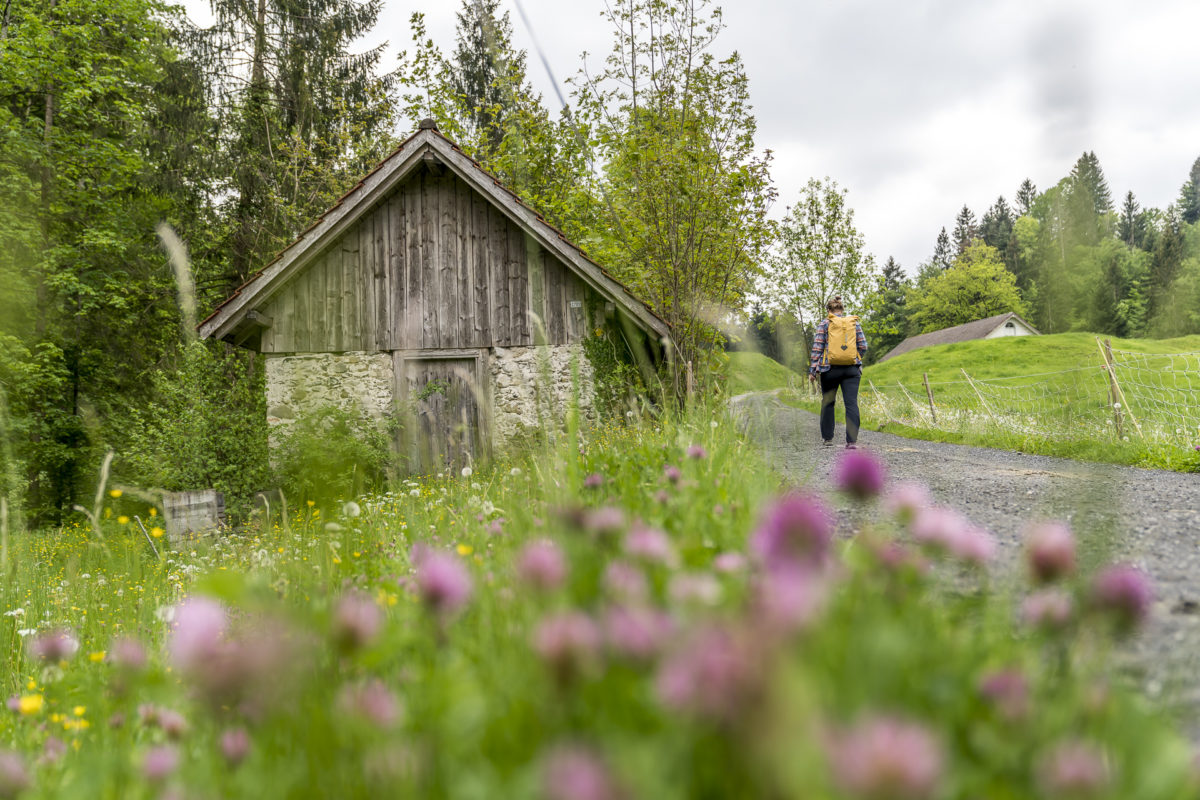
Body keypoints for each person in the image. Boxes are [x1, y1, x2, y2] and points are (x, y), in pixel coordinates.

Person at [808, 296, 868, 449]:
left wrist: (813, 370)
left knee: (828, 403)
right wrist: (856, 359)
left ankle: (828, 439)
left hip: (829, 369)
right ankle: (852, 441)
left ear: (829, 310)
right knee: (851, 403)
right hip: (851, 369)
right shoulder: (854, 324)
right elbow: (863, 346)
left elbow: (817, 348)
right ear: (842, 310)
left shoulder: (824, 324)